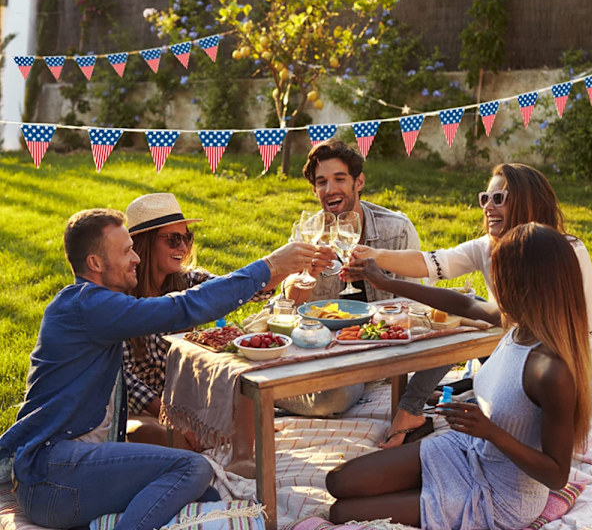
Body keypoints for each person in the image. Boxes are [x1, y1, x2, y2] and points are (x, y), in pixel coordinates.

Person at [0, 208, 317, 530]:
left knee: (206, 497)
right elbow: (183, 308)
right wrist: (270, 265)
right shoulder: (86, 305)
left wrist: (278, 274)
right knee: (193, 469)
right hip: (51, 475)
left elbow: (211, 293)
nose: (135, 258)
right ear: (95, 263)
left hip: (71, 476)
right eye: (126, 251)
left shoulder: (96, 304)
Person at [327, 223, 592, 529]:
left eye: (501, 276)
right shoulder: (517, 324)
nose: (493, 283)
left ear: (528, 286)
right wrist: (385, 281)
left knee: (341, 514)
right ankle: (426, 496)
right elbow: (463, 303)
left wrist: (490, 431)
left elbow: (557, 475)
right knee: (338, 482)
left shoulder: (551, 369)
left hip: (502, 495)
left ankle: (429, 499)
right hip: (466, 450)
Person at [351, 163, 592, 447]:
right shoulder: (490, 246)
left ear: (528, 201)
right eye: (485, 198)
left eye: (499, 198)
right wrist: (377, 263)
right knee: (457, 313)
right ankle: (417, 406)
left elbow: (586, 339)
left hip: (566, 373)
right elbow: (437, 269)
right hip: (514, 351)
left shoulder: (566, 253)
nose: (487, 207)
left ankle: (422, 405)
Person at [124, 192, 286, 475]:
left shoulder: (189, 280)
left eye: (187, 238)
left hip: (191, 400)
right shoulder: (120, 299)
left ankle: (241, 455)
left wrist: (286, 267)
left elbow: (243, 289)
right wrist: (172, 418)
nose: (184, 247)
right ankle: (217, 447)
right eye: (173, 239)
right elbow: (125, 381)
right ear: (144, 244)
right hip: (147, 411)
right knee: (142, 434)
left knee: (240, 363)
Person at [278, 139, 420, 417]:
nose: (330, 190)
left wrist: (381, 281)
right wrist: (308, 275)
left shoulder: (397, 230)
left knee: (339, 395)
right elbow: (288, 305)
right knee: (335, 392)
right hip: (321, 351)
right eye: (321, 182)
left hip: (379, 350)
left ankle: (273, 397)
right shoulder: (307, 234)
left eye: (339, 179)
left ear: (359, 182)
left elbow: (416, 305)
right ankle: (269, 393)